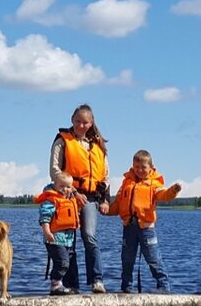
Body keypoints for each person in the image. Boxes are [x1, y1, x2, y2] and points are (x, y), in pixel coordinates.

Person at [49, 104, 110, 293]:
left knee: (90, 237)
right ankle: (70, 284)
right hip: (67, 197)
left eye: (85, 122)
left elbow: (105, 176)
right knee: (68, 241)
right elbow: (54, 170)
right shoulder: (62, 141)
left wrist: (104, 200)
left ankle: (97, 280)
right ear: (72, 121)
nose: (81, 125)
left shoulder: (98, 145)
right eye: (78, 122)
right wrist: (74, 191)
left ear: (91, 123)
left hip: (91, 198)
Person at [112, 149, 182, 293]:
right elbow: (118, 204)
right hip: (129, 227)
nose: (140, 170)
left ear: (151, 167)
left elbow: (164, 195)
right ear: (132, 166)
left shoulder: (154, 184)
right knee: (127, 260)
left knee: (153, 259)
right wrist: (106, 210)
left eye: (143, 167)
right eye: (137, 167)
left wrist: (173, 191)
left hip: (146, 229)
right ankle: (126, 288)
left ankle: (163, 286)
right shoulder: (127, 183)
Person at [35, 171, 84, 296]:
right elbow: (45, 217)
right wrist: (46, 231)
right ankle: (55, 284)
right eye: (61, 186)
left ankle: (65, 285)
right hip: (55, 239)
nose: (65, 189)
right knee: (62, 262)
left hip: (68, 239)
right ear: (55, 186)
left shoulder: (70, 199)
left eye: (68, 187)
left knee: (69, 262)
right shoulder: (51, 200)